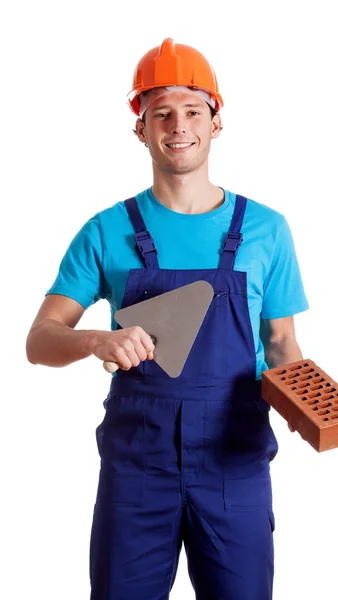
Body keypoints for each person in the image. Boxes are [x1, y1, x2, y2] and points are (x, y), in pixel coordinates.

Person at [26, 37, 309, 600]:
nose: (178, 125)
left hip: (235, 468)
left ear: (216, 121)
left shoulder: (266, 230)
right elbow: (40, 341)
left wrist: (308, 404)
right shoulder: (106, 231)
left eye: (192, 110)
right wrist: (96, 341)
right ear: (141, 128)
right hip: (136, 472)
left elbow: (282, 346)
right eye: (161, 113)